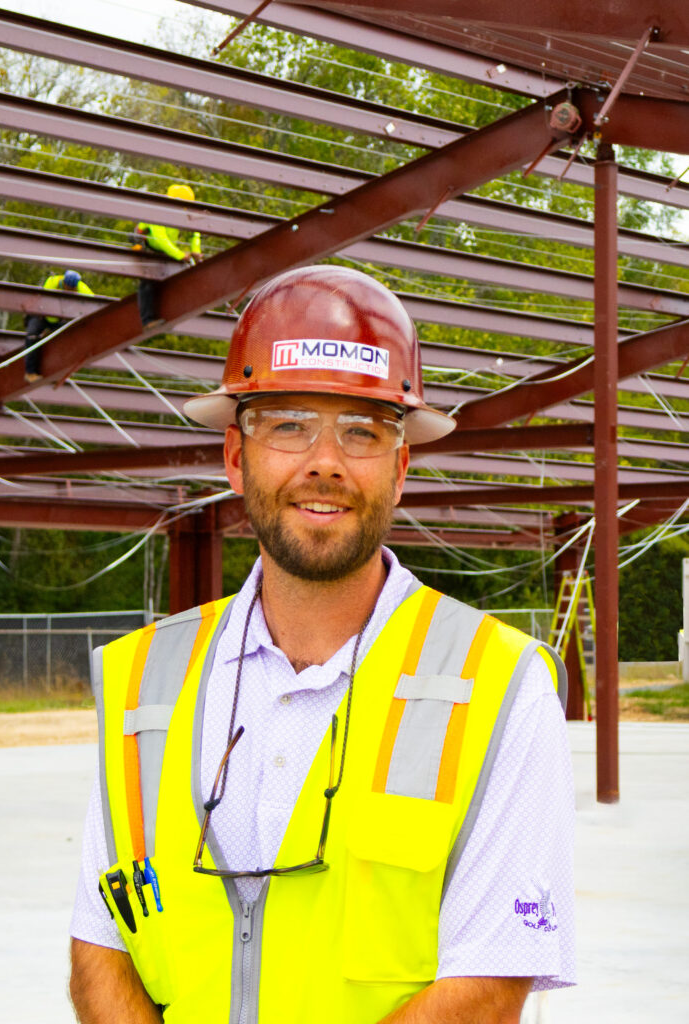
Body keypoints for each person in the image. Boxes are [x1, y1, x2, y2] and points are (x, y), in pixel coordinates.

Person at [69, 265, 575, 1024]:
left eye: (362, 431)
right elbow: (100, 949)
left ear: (400, 469)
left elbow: (487, 986)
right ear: (236, 458)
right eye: (288, 424)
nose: (325, 461)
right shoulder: (148, 678)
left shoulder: (498, 684)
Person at [133, 183, 201, 329]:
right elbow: (160, 239)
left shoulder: (184, 212)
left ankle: (167, 315)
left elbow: (194, 233)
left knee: (169, 280)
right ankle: (148, 320)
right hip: (148, 247)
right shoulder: (158, 211)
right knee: (148, 282)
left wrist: (195, 250)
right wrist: (180, 255)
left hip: (165, 250)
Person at [24, 269, 94, 382]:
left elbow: (93, 304)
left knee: (69, 338)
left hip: (60, 319)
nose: (69, 290)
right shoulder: (52, 282)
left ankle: (61, 371)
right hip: (42, 315)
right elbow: (44, 302)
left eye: (72, 289)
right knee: (32, 335)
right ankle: (30, 372)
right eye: (67, 287)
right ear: (64, 283)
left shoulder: (82, 288)